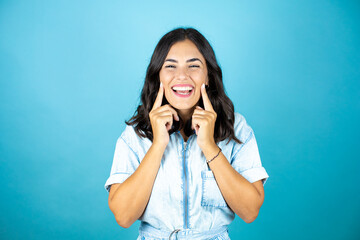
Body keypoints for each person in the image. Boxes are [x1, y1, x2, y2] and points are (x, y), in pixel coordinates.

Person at [104, 27, 269, 240]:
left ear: (208, 75)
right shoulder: (136, 133)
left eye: (194, 66)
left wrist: (209, 146)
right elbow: (123, 216)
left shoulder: (235, 127)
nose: (182, 76)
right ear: (158, 76)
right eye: (170, 66)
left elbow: (250, 211)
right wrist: (157, 145)